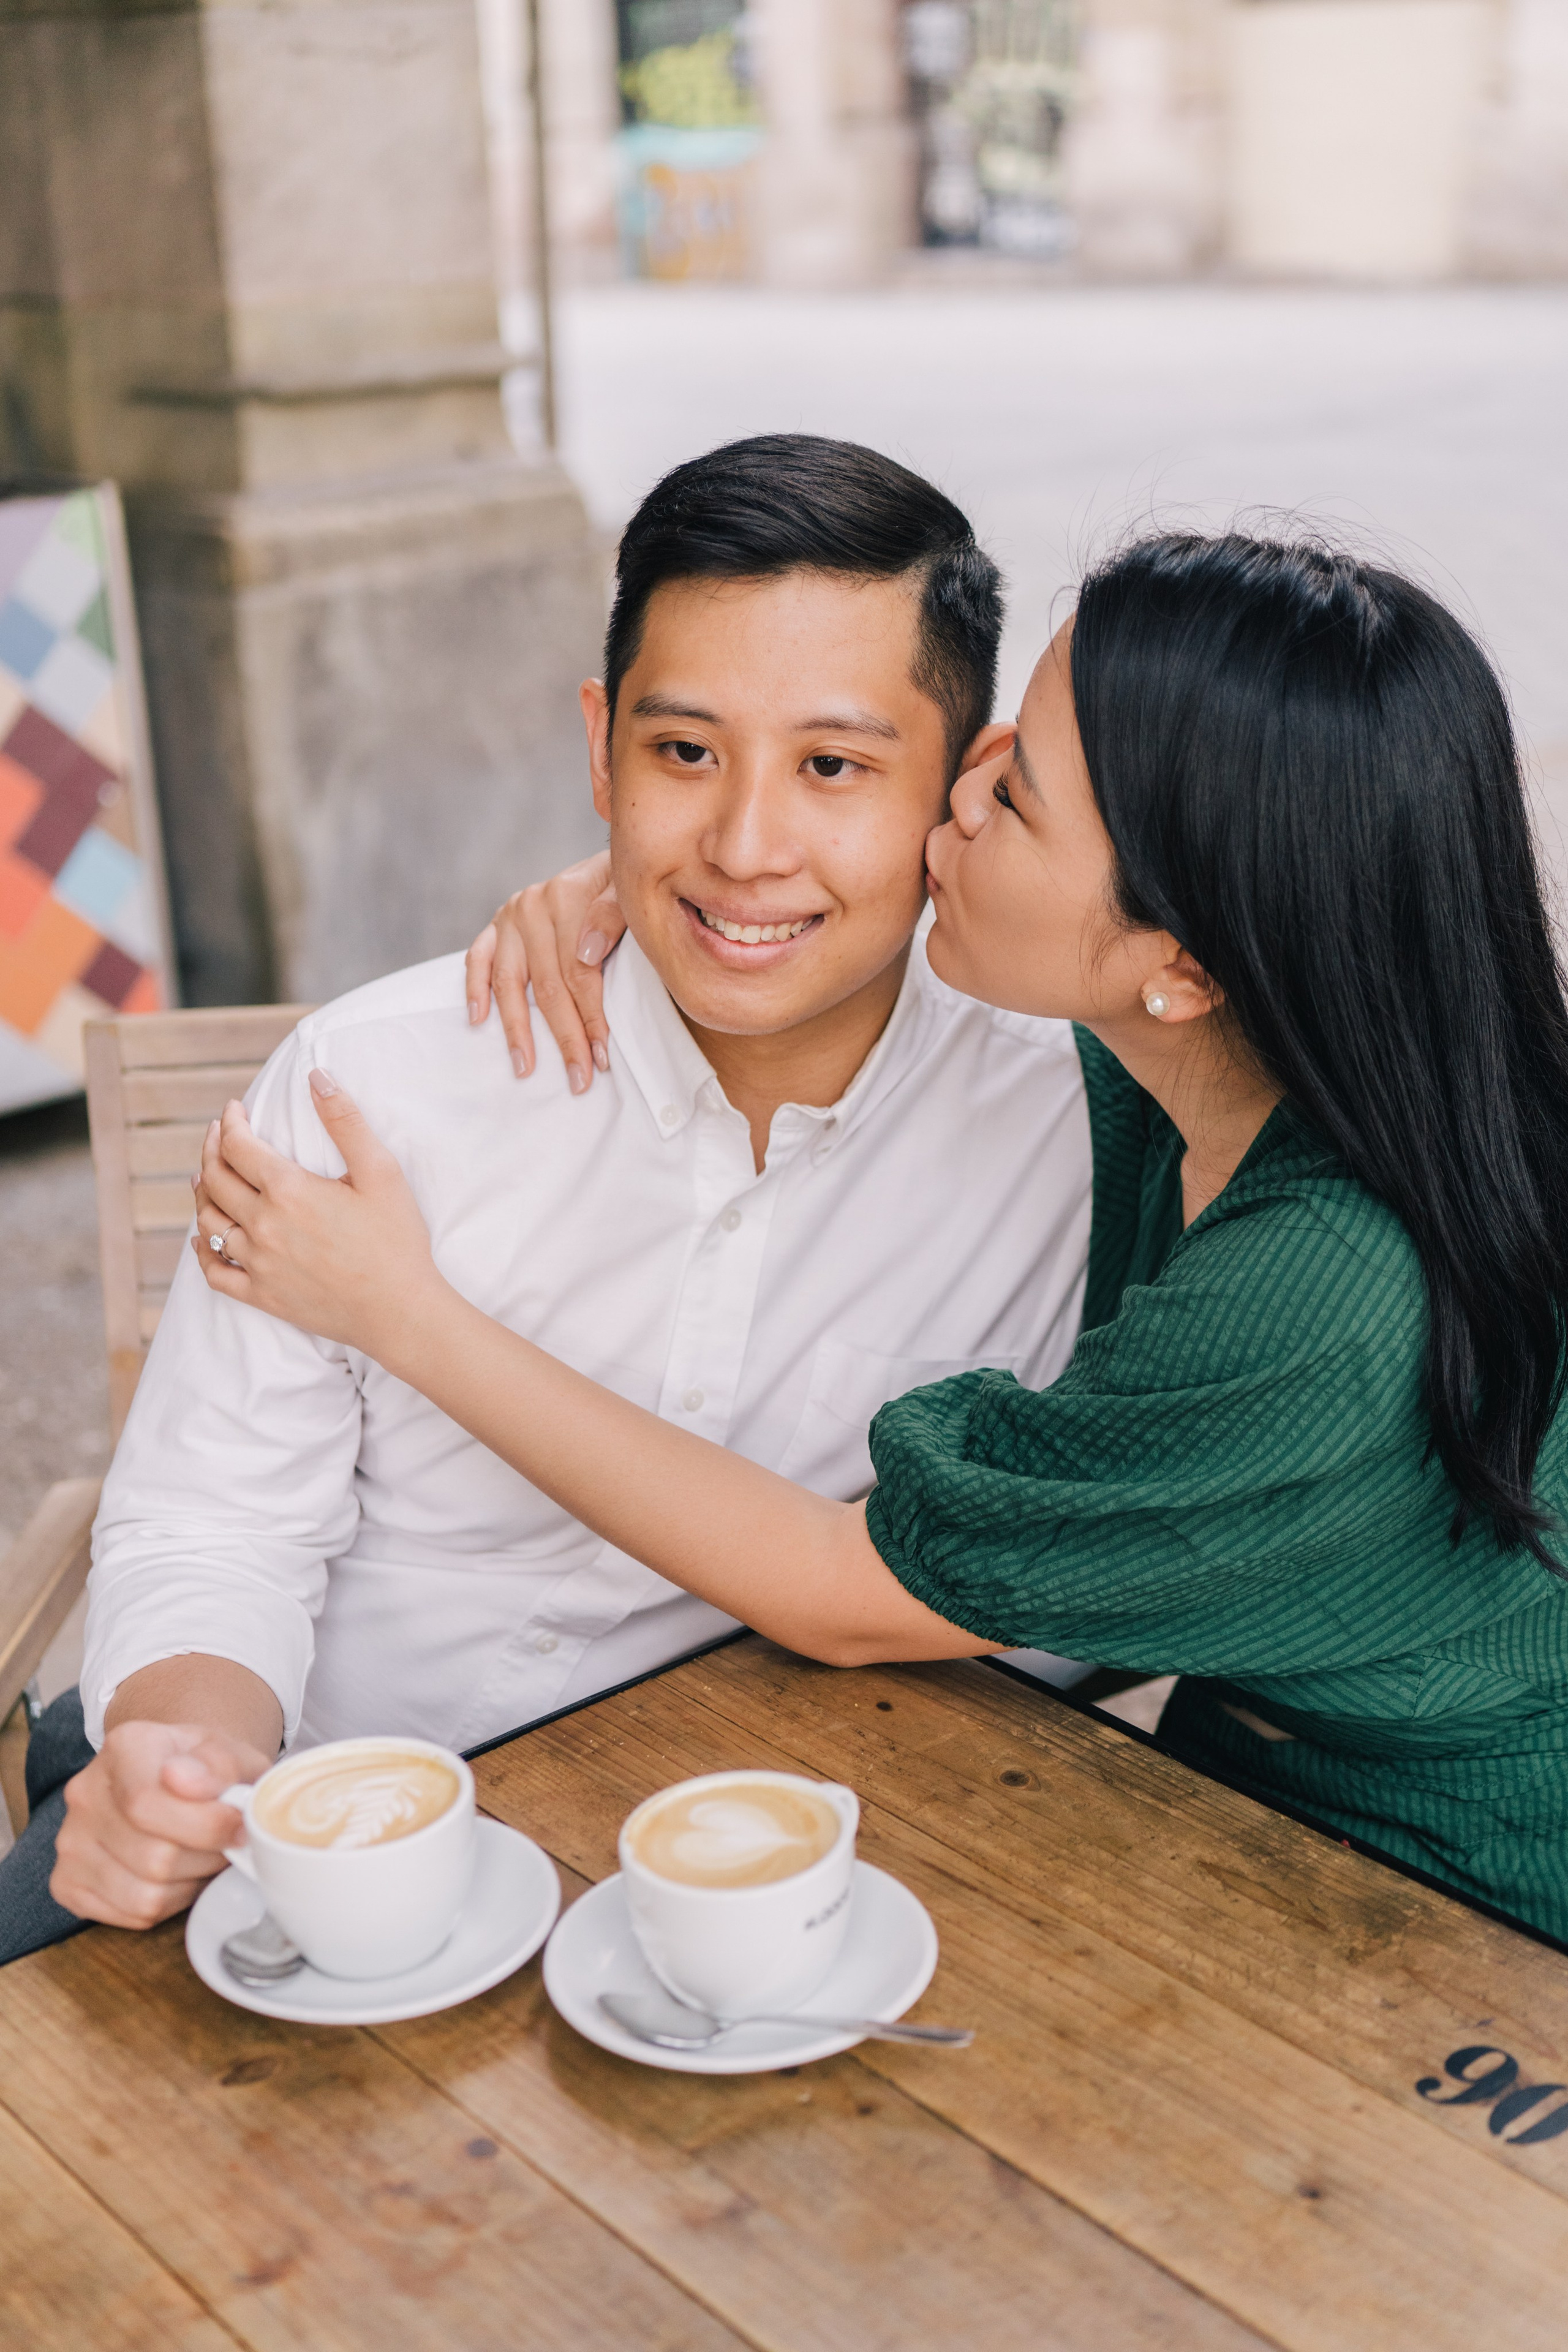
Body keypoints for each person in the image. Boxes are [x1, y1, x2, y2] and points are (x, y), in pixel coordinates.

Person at [187, 529, 1568, 1943]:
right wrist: (683, 890)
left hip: (1438, 1907)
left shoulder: (1319, 1291)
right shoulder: (1226, 1070)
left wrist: (404, 1316)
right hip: (1236, 1764)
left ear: (1190, 962)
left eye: (1015, 793)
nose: (952, 798)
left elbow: (841, 1592)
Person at [6, 435, 1097, 1961]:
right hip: (311, 1819)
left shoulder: (1061, 1132)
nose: (743, 848)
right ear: (600, 752)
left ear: (961, 784)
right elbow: (215, 1519)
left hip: (731, 1880)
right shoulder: (370, 1088)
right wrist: (184, 1753)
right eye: (682, 754)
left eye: (832, 767)